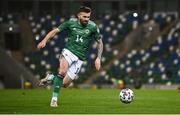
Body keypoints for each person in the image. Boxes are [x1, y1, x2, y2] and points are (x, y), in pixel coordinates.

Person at [37, 6, 103, 107]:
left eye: (88, 17)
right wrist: (44, 40)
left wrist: (98, 58)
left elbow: (100, 42)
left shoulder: (93, 27)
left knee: (64, 84)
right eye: (84, 16)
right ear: (78, 15)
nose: (86, 19)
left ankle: (50, 78)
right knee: (62, 72)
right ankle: (54, 100)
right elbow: (55, 31)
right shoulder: (71, 22)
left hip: (80, 58)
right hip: (69, 52)